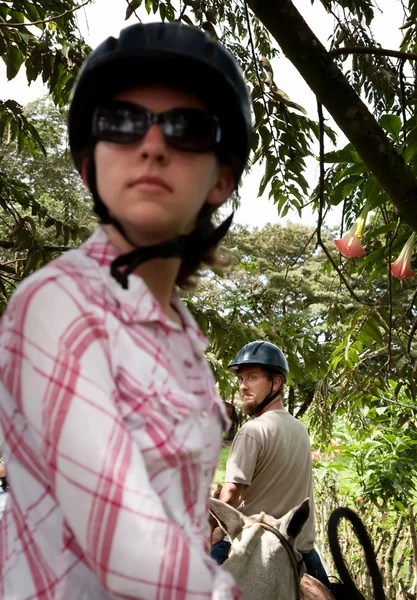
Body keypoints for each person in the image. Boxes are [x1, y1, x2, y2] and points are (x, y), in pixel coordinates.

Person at [0, 22, 252, 599]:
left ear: (222, 179)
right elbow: (130, 549)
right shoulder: (58, 305)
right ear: (90, 167)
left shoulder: (183, 336)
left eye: (187, 129)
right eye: (122, 121)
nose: (153, 144)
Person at [210, 340, 329, 587]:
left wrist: (215, 531)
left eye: (252, 377)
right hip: (302, 550)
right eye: (241, 379)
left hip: (254, 546)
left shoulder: (252, 431)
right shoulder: (300, 430)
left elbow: (230, 494)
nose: (243, 386)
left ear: (276, 383)